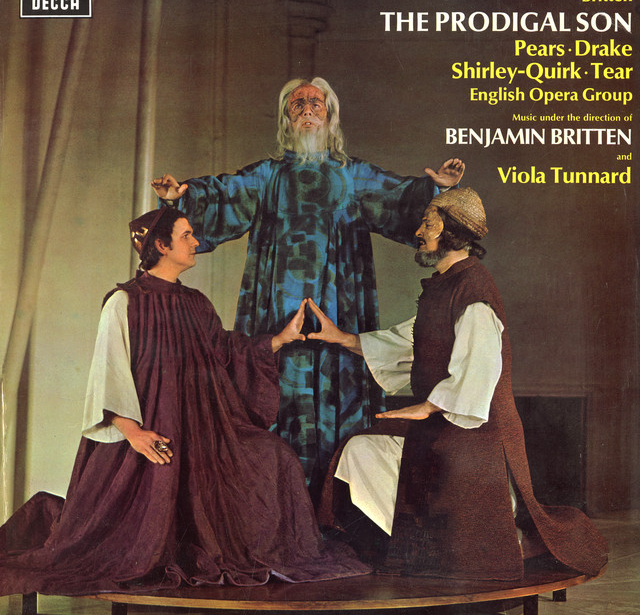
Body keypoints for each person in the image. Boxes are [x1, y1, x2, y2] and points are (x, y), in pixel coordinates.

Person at [0, 208, 370, 597]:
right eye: (187, 235)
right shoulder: (124, 301)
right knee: (136, 524)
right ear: (161, 245)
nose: (196, 242)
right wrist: (134, 433)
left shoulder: (196, 302)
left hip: (204, 428)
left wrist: (280, 339)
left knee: (275, 456)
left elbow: (224, 351)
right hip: (146, 432)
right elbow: (108, 372)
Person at [151, 76, 465, 497]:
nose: (307, 111)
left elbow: (402, 199)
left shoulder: (353, 176)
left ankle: (334, 509)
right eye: (297, 105)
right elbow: (222, 196)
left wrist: (440, 190)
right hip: (275, 314)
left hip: (339, 312)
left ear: (330, 117)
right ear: (286, 119)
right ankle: (280, 507)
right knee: (277, 392)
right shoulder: (267, 177)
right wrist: (179, 201)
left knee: (340, 390)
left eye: (316, 104)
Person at [309, 188, 608, 581]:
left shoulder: (474, 289)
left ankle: (507, 544)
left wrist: (429, 405)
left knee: (470, 534)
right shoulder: (446, 283)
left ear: (450, 231)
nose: (419, 231)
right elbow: (415, 340)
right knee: (362, 452)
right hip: (445, 427)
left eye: (428, 223)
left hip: (477, 434)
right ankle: (437, 549)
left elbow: (481, 364)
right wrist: (344, 339)